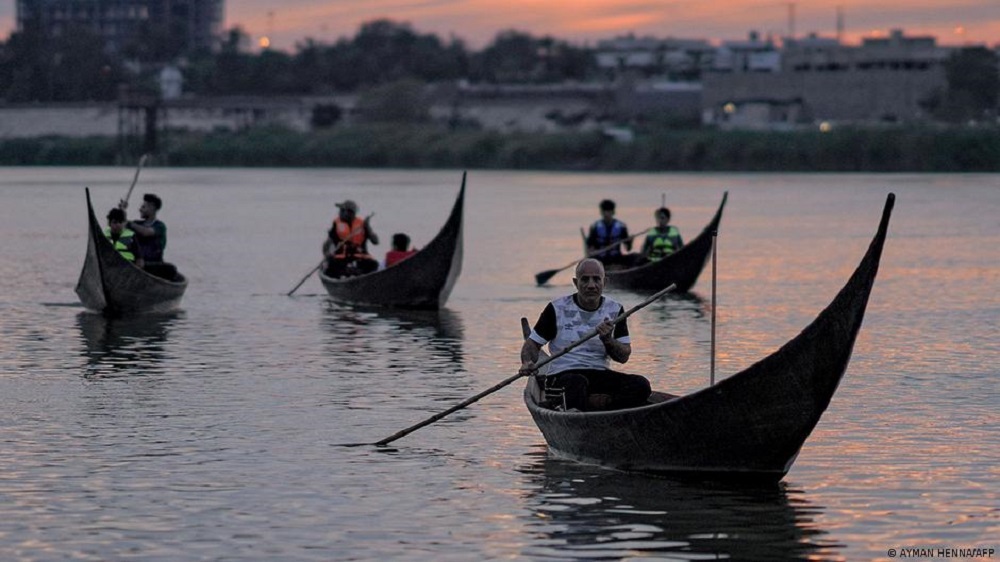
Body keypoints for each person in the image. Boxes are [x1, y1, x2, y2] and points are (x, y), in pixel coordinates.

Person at [519, 258, 651, 412]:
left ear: (605, 282)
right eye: (585, 280)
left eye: (596, 279)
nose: (591, 285)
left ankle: (597, 404)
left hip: (599, 374)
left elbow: (623, 357)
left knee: (641, 385)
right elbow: (533, 344)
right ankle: (573, 404)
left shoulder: (615, 310)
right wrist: (527, 362)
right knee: (577, 383)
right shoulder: (557, 308)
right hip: (563, 375)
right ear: (575, 283)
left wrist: (608, 340)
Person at [121, 193, 176, 279]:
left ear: (152, 207)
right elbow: (120, 226)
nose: (140, 209)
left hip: (152, 265)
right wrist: (122, 211)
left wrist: (129, 223)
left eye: (143, 207)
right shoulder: (137, 223)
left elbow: (146, 232)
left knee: (171, 269)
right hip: (137, 263)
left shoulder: (160, 226)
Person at [323, 199, 379, 278]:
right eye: (340, 210)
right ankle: (347, 273)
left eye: (342, 210)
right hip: (341, 259)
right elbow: (327, 244)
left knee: (374, 264)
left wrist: (368, 227)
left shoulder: (362, 224)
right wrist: (327, 255)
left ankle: (357, 274)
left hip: (359, 257)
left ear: (350, 213)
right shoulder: (336, 224)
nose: (340, 212)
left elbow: (376, 241)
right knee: (330, 266)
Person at [586, 199, 633, 268]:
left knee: (634, 257)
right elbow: (590, 247)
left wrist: (630, 241)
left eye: (608, 211)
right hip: (600, 259)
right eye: (604, 211)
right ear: (601, 212)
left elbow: (628, 249)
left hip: (616, 258)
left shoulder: (621, 226)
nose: (606, 214)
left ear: (613, 212)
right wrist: (591, 253)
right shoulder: (595, 227)